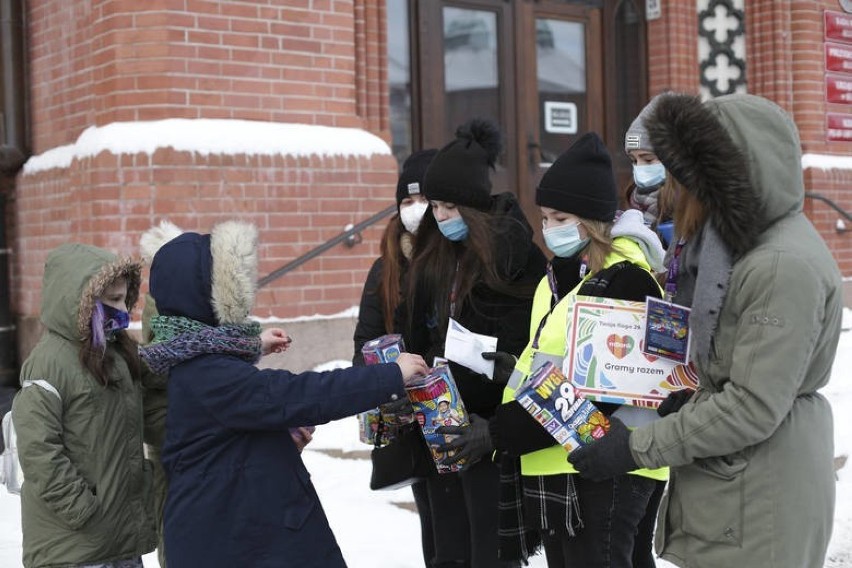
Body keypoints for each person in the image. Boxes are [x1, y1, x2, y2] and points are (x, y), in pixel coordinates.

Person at [568, 93, 843, 568]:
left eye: (682, 176)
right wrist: (693, 403)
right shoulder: (751, 249)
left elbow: (754, 405)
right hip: (740, 490)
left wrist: (635, 447)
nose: (673, 190)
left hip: (761, 498)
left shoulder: (778, 265)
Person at [138, 220, 429, 568]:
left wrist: (272, 441)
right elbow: (298, 395)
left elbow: (227, 440)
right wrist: (390, 375)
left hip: (239, 530)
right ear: (205, 295)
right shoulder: (208, 372)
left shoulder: (198, 358)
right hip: (228, 542)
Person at [493, 132, 668, 567]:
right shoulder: (558, 281)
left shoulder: (626, 278)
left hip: (612, 463)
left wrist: (498, 432)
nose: (548, 228)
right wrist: (512, 374)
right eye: (545, 217)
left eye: (559, 217)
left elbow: (600, 389)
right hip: (564, 462)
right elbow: (551, 367)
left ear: (591, 220)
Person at [402, 118, 548, 568]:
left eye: (449, 206)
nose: (440, 216)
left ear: (475, 208)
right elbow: (422, 329)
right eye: (436, 207)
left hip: (489, 430)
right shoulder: (437, 255)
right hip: (440, 422)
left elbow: (527, 345)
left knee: (490, 554)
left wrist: (494, 423)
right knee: (447, 550)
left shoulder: (514, 259)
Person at [351, 148, 469, 568]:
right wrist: (382, 388)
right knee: (435, 535)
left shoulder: (456, 260)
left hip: (451, 416)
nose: (416, 210)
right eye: (407, 201)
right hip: (407, 421)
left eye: (426, 201)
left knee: (459, 537)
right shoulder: (384, 270)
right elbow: (364, 342)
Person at [11, 243, 158, 568]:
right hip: (74, 544)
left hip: (118, 537)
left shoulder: (117, 353)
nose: (124, 309)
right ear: (85, 304)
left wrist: (242, 343)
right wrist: (81, 508)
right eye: (114, 301)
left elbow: (160, 371)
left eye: (125, 298)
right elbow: (38, 449)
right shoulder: (49, 362)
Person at [623, 94, 677, 248]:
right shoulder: (634, 206)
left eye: (648, 159)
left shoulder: (692, 209)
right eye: (634, 160)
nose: (639, 167)